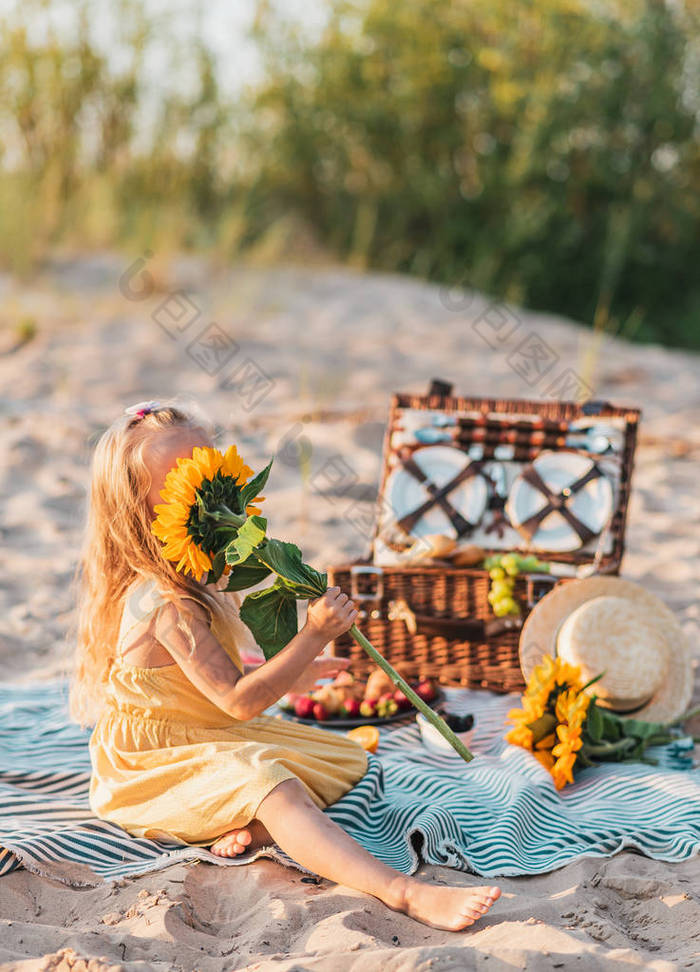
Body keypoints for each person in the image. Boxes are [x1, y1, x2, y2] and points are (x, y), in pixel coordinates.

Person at [71, 400, 500, 931]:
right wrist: (311, 634)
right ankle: (402, 889)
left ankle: (241, 822)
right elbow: (237, 699)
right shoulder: (166, 605)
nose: (208, 496)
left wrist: (294, 673)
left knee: (339, 759)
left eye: (207, 473)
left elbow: (208, 683)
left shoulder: (187, 575)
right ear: (141, 511)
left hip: (201, 730)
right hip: (152, 764)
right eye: (183, 483)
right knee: (276, 783)